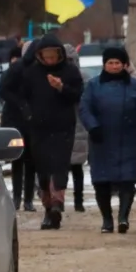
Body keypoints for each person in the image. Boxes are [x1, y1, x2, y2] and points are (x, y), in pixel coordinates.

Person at [78, 46, 136, 234]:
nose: (114, 66)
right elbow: (84, 109)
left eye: (118, 63)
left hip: (127, 139)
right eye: (110, 63)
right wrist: (93, 126)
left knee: (128, 180)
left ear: (125, 65)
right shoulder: (93, 85)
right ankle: (107, 220)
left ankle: (123, 218)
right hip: (101, 139)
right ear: (104, 65)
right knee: (101, 182)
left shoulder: (133, 85)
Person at [17, 34, 84, 229]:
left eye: (53, 55)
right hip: (39, 128)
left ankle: (57, 203)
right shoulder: (31, 73)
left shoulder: (70, 71)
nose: (50, 59)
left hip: (63, 127)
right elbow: (21, 97)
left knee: (60, 167)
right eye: (46, 55)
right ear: (40, 55)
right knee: (43, 169)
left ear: (59, 54)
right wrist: (28, 114)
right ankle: (48, 207)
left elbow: (78, 94)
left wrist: (61, 87)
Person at [0, 42, 36, 210]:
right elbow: (2, 91)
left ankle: (28, 199)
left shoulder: (36, 70)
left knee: (31, 161)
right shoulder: (14, 70)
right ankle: (18, 197)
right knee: (17, 160)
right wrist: (21, 105)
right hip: (15, 121)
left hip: (32, 121)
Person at [65, 43, 89, 212]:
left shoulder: (84, 78)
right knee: (61, 168)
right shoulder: (53, 77)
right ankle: (59, 201)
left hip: (78, 125)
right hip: (62, 125)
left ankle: (78, 200)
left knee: (77, 167)